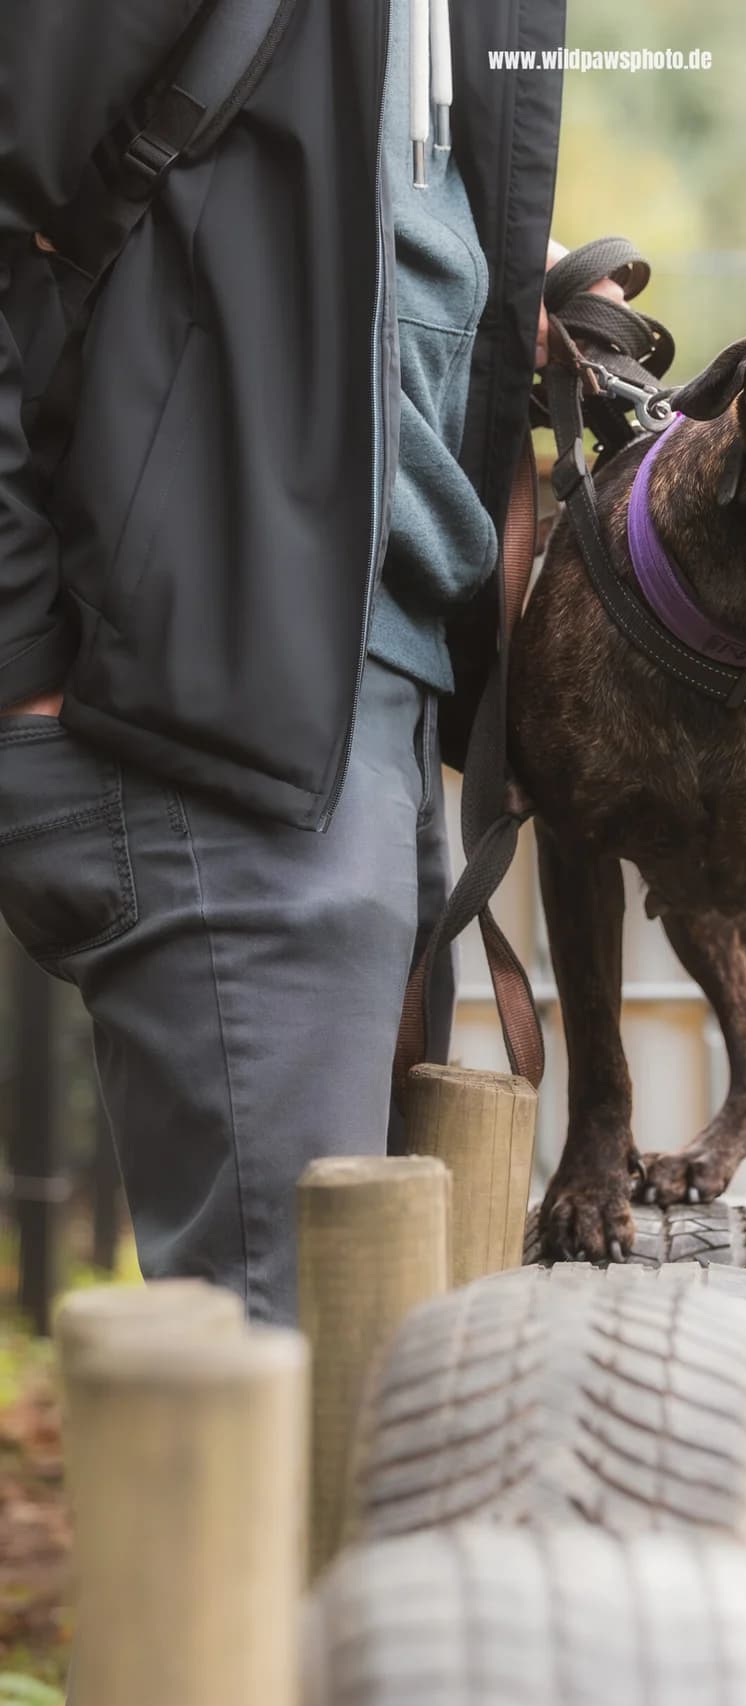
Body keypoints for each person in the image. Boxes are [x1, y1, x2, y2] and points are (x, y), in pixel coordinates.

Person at [0, 0, 616, 1326]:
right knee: (281, 1392)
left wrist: (497, 274)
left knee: (356, 1389)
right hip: (193, 715)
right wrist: (17, 657)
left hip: (369, 695)